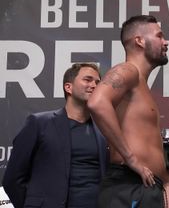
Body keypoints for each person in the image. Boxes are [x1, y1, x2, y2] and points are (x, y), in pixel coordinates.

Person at [87, 15, 169, 208]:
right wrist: (131, 158)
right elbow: (97, 102)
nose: (166, 42)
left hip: (147, 187)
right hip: (129, 185)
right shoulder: (128, 70)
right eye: (159, 36)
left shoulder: (141, 84)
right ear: (139, 41)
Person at [2, 63, 108, 208]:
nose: (94, 85)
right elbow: (12, 179)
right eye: (87, 80)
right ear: (68, 87)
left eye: (97, 82)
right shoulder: (39, 123)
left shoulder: (104, 129)